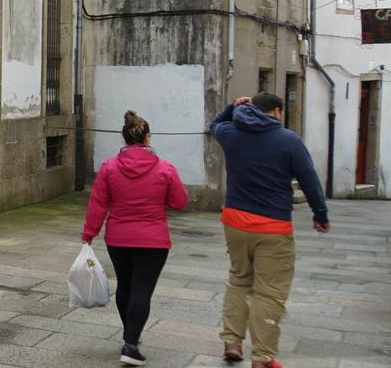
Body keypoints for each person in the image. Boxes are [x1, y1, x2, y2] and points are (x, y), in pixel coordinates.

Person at [210, 93, 329, 368]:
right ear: (276, 111)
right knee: (269, 292)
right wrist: (320, 214)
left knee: (239, 280)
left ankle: (232, 342)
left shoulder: (230, 133)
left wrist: (233, 107)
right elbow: (309, 180)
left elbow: (214, 123)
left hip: (235, 220)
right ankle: (262, 357)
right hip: (272, 226)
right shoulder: (288, 139)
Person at [82, 111, 189, 366]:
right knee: (142, 290)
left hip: (118, 238)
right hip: (153, 241)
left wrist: (89, 234)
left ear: (125, 138)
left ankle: (130, 335)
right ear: (147, 138)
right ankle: (131, 345)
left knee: (126, 286)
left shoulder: (109, 167)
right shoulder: (165, 169)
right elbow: (179, 202)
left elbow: (98, 203)